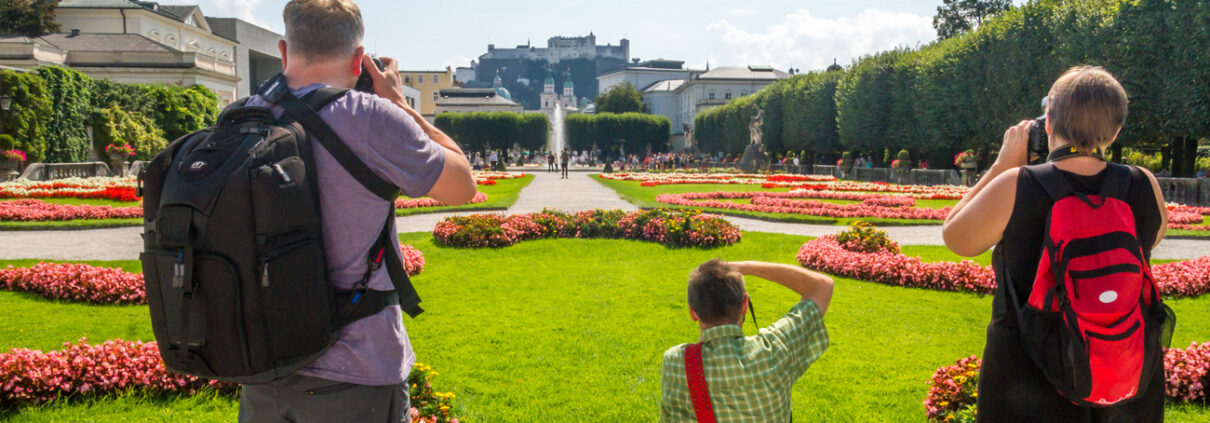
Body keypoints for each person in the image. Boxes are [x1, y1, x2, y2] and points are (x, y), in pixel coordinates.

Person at [236, 1, 477, 421]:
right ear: (358, 59)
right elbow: (463, 184)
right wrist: (399, 103)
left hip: (261, 364)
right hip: (356, 369)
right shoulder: (372, 118)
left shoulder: (239, 117)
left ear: (283, 50)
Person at [942, 66, 1168, 422]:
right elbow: (1152, 237)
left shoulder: (1018, 184)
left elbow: (955, 235)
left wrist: (1002, 165)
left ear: (1047, 123)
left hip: (1028, 377)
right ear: (1116, 130)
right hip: (1123, 372)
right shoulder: (1142, 184)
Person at [660, 260, 833, 422]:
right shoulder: (775, 348)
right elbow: (822, 285)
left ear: (692, 312)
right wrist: (747, 267)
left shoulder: (675, 362)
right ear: (744, 305)